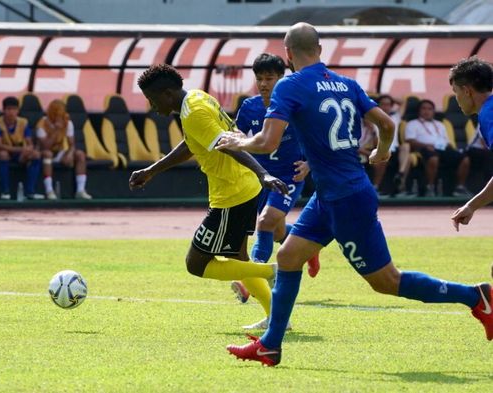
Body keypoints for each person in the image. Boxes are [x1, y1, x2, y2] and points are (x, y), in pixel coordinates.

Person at [219, 23, 492, 367]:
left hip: (345, 198)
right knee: (288, 257)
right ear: (320, 49)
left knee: (386, 282)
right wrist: (382, 151)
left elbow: (267, 141)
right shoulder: (347, 84)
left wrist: (236, 142)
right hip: (335, 193)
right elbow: (387, 125)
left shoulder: (291, 84)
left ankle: (476, 296)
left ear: (288, 54)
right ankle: (270, 345)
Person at [130, 64, 290, 315]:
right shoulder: (196, 98)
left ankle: (272, 271)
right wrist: (152, 171)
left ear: (168, 94)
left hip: (232, 193)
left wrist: (264, 173)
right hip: (240, 186)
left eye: (152, 99)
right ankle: (276, 318)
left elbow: (226, 145)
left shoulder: (193, 112)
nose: (152, 106)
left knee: (196, 263)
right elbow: (192, 144)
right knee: (238, 259)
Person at [230, 53, 320, 331]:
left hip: (288, 176)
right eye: (260, 79)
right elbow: (237, 137)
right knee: (277, 230)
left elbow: (318, 138)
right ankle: (306, 247)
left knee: (265, 222)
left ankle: (253, 276)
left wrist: (310, 163)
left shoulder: (297, 106)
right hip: (260, 178)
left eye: (270, 78)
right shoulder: (250, 107)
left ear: (283, 78)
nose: (264, 84)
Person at [449, 56, 493, 230]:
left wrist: (472, 205)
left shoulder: (489, 114)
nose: (456, 99)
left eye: (455, 92)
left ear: (467, 91)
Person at [405, 100, 471, 197]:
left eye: (429, 109)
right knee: (433, 158)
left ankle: (459, 188)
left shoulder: (440, 124)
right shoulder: (412, 123)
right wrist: (425, 146)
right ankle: (430, 187)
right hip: (423, 148)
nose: (426, 111)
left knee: (465, 159)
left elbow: (446, 141)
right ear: (419, 111)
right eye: (424, 108)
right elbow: (410, 141)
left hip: (442, 148)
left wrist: (450, 148)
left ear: (433, 111)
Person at [36, 99, 91, 200]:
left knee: (80, 154)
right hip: (43, 153)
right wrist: (56, 130)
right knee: (48, 154)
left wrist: (70, 153)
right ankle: (49, 190)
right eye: (57, 113)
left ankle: (80, 190)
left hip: (59, 152)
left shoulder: (68, 123)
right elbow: (46, 146)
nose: (60, 116)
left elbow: (72, 144)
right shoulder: (42, 124)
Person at [0, 96, 43, 200]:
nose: (11, 112)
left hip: (19, 152)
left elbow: (29, 142)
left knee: (36, 155)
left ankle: (30, 192)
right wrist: (20, 150)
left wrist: (28, 150)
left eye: (14, 109)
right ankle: (5, 191)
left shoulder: (24, 122)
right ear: (3, 110)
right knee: (3, 154)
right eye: (8, 109)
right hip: (2, 151)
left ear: (18, 111)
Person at [369, 95, 413, 196]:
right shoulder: (372, 118)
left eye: (388, 104)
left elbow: (402, 101)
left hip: (395, 150)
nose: (386, 107)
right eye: (383, 104)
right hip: (379, 148)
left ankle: (400, 175)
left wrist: (385, 94)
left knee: (406, 147)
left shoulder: (395, 117)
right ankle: (378, 187)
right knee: (408, 159)